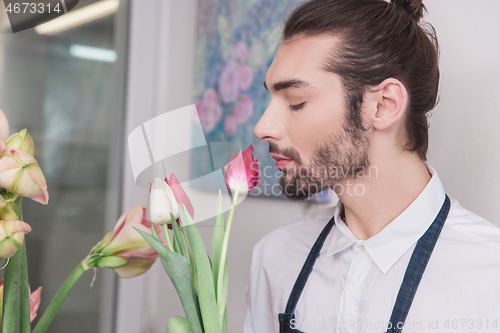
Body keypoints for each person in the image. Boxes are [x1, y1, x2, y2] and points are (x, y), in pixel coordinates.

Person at [243, 0, 500, 332]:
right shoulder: (274, 257)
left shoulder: (490, 277)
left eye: (295, 102)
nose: (263, 127)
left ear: (383, 105)